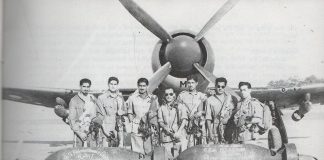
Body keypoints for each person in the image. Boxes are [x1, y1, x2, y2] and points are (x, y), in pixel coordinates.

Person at [126, 78, 158, 156]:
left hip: (148, 128)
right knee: (137, 152)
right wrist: (132, 123)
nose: (142, 87)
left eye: (144, 86)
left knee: (149, 151)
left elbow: (156, 112)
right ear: (137, 86)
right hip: (136, 128)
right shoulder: (132, 98)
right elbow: (130, 112)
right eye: (140, 85)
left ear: (147, 86)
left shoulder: (153, 98)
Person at [177, 75, 207, 148]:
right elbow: (177, 110)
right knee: (185, 145)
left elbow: (207, 111)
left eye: (192, 82)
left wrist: (200, 113)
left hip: (198, 124)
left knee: (199, 144)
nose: (190, 85)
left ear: (196, 83)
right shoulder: (182, 95)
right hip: (185, 124)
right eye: (189, 82)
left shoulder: (201, 96)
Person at [158, 88, 187, 159]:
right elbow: (160, 121)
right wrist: (165, 128)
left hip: (179, 136)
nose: (169, 96)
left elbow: (184, 119)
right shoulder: (161, 108)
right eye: (166, 94)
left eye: (171, 94)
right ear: (164, 96)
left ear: (174, 95)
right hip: (166, 137)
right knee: (168, 156)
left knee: (180, 156)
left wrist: (179, 132)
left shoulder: (180, 106)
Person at [95, 77, 125, 147]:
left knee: (118, 152)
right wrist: (105, 130)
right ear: (108, 84)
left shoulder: (120, 97)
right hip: (106, 129)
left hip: (118, 129)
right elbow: (99, 115)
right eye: (111, 84)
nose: (113, 86)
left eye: (115, 84)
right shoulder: (101, 98)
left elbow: (124, 111)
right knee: (106, 152)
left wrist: (122, 112)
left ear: (117, 85)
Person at [68, 78, 97, 147]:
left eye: (88, 87)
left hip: (91, 131)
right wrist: (80, 133)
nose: (86, 89)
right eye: (84, 86)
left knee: (93, 153)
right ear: (80, 86)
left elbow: (96, 115)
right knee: (78, 154)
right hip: (79, 132)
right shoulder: (74, 100)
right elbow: (72, 119)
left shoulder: (93, 98)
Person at [205, 77, 234, 144]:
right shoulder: (209, 100)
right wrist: (210, 132)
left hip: (228, 127)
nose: (220, 88)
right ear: (215, 86)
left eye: (222, 86)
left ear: (225, 87)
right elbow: (208, 118)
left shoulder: (230, 98)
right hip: (216, 128)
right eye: (218, 86)